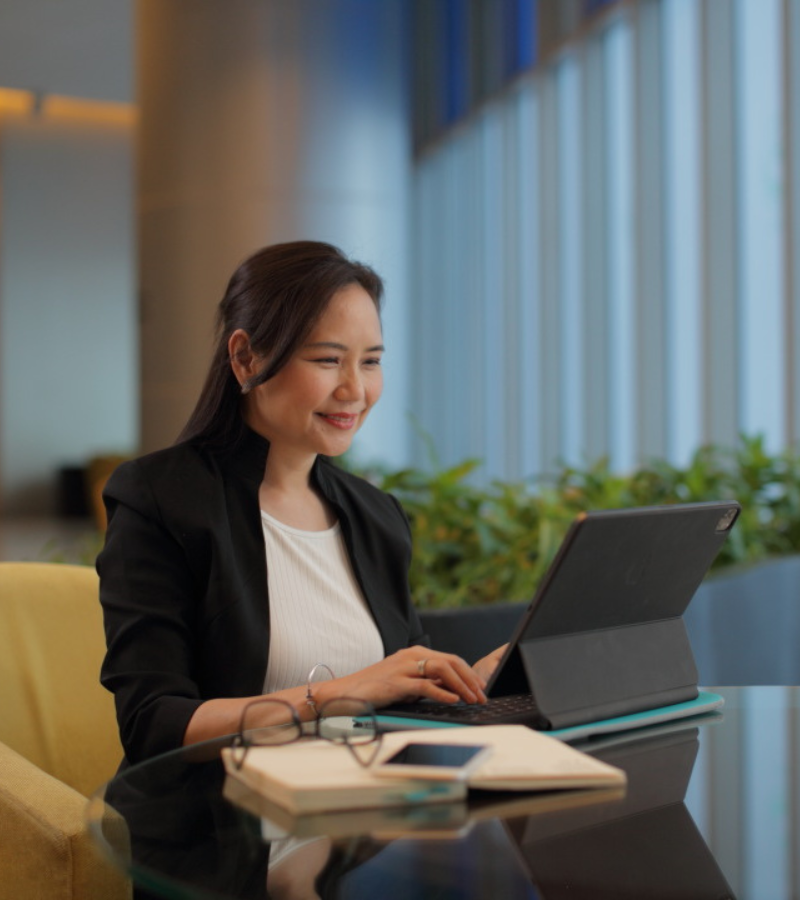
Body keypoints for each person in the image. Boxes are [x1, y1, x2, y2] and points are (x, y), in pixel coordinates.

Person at [98, 240, 505, 766]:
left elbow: (369, 720)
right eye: (328, 360)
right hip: (225, 823)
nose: (355, 389)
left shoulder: (375, 514)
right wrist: (336, 694)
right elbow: (152, 724)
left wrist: (473, 686)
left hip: (358, 815)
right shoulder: (160, 498)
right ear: (245, 357)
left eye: (372, 361)